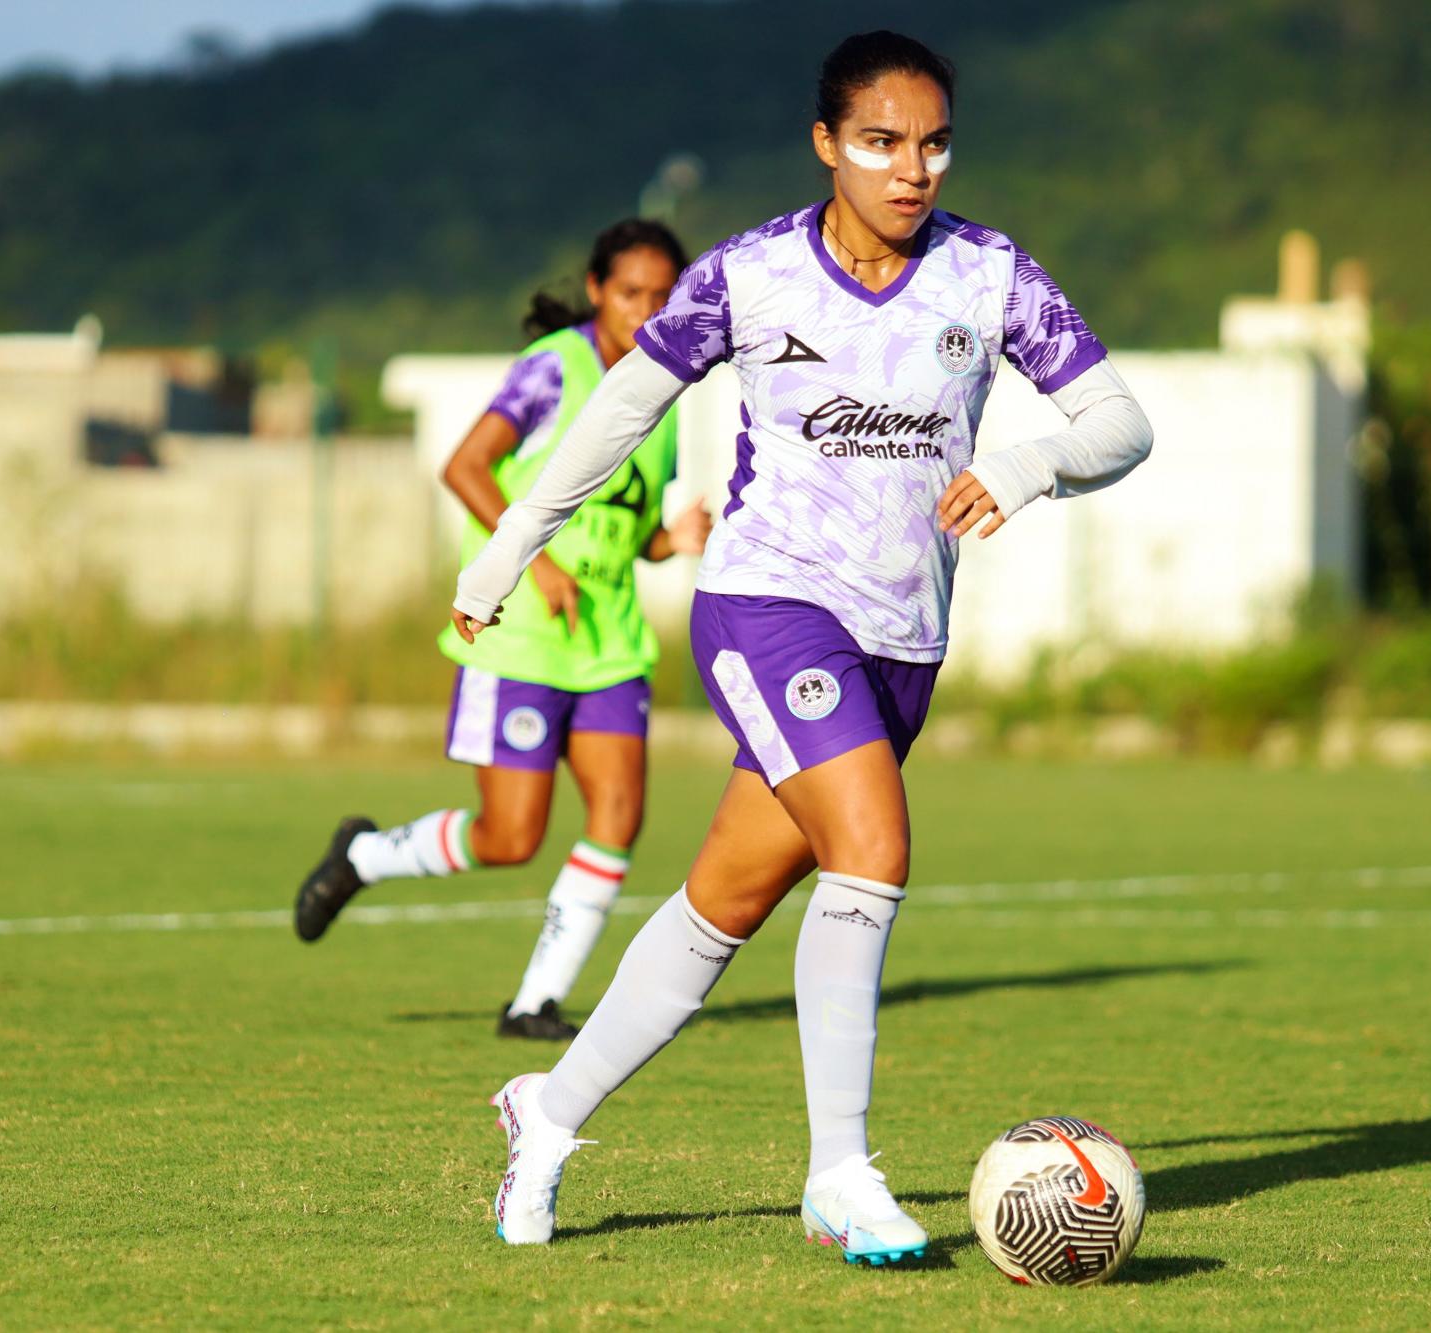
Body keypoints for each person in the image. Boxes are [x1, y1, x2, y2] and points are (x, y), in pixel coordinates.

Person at [462, 31, 1151, 1258]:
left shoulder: (988, 277)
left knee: (723, 900)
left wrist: (1032, 458)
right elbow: (625, 403)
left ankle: (546, 1108)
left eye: (933, 143)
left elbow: (1119, 422)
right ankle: (839, 1168)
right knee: (873, 847)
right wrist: (515, 538)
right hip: (765, 604)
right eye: (882, 142)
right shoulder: (748, 275)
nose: (912, 169)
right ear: (826, 144)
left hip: (903, 642)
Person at [294, 219, 712, 1044]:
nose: (648, 308)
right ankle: (366, 857)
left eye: (665, 296)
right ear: (597, 290)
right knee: (510, 836)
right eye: (633, 292)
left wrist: (674, 538)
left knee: (618, 815)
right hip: (518, 633)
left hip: (609, 643)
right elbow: (464, 466)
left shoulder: (666, 392)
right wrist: (536, 563)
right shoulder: (555, 368)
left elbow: (627, 534)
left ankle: (534, 1002)